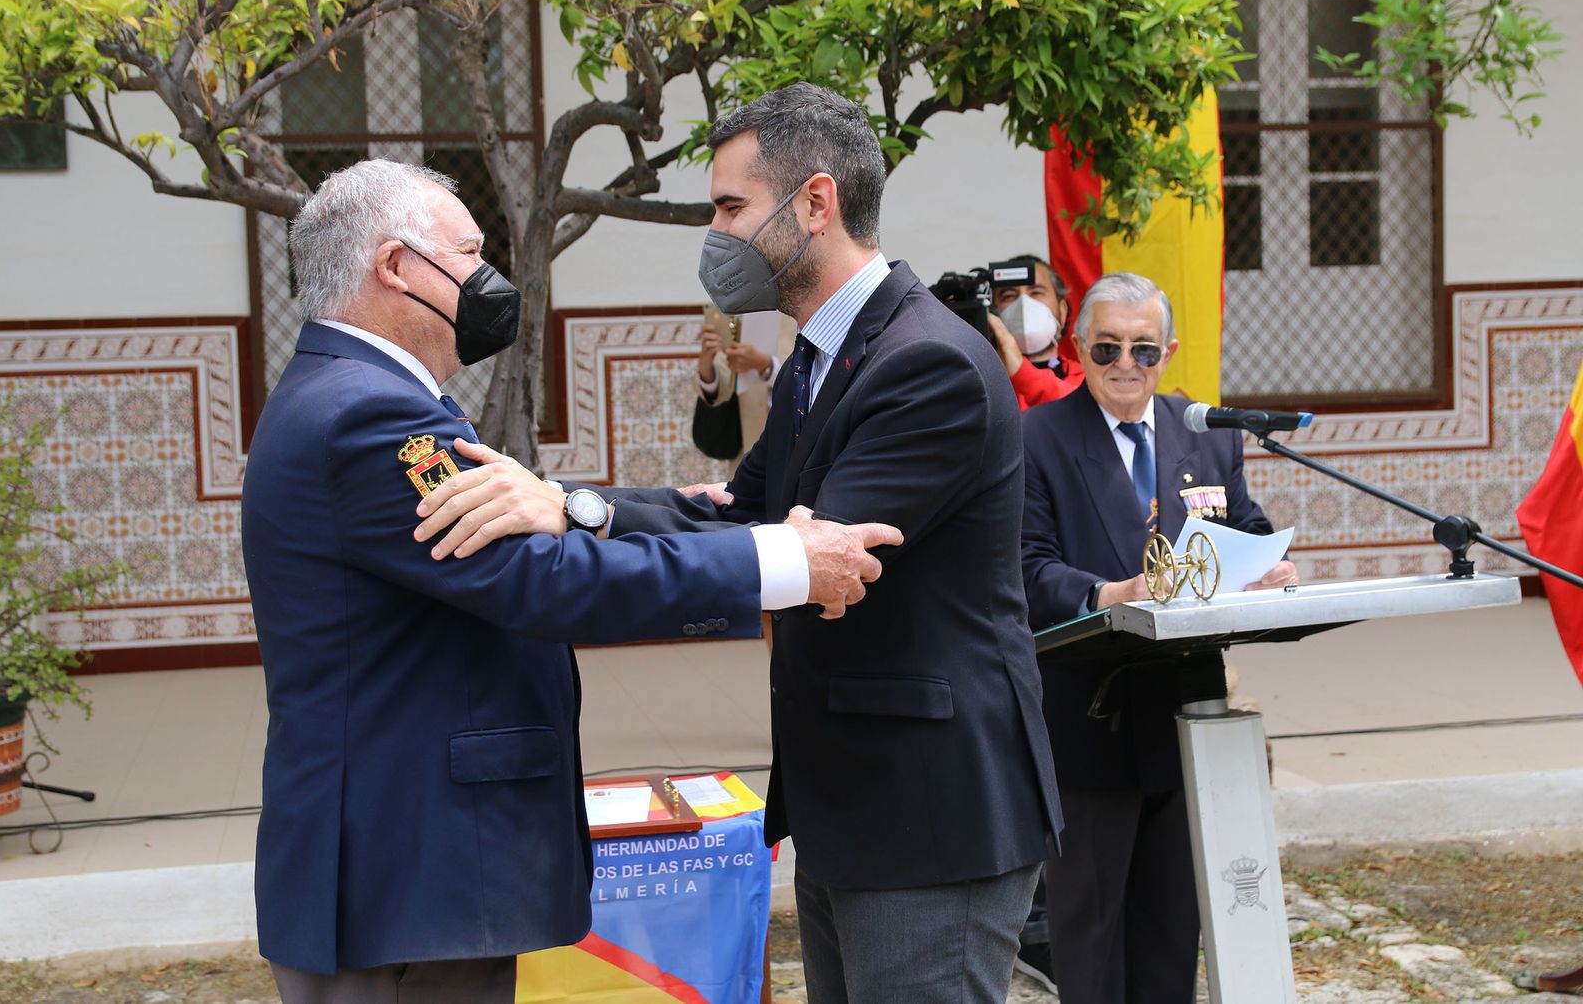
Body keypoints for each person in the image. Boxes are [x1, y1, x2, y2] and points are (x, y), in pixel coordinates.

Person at [419, 83, 1062, 1004]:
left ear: (816, 202)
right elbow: (737, 514)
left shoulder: (925, 363)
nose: (716, 234)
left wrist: (580, 528)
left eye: (730, 207)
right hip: (852, 805)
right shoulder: (818, 356)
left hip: (930, 812)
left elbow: (821, 561)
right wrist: (569, 505)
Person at [239, 158, 901, 1004]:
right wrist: (777, 561)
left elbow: (529, 520)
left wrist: (672, 515)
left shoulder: (358, 392)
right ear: (397, 266)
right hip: (402, 871)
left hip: (408, 865)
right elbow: (540, 580)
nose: (488, 276)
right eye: (469, 253)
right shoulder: (368, 414)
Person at [1016, 271, 1297, 1002]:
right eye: (1106, 347)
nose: (1125, 364)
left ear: (1167, 354)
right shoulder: (1038, 437)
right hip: (1090, 717)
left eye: (1143, 349)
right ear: (1078, 347)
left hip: (1188, 714)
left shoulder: (1202, 433)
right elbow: (1025, 566)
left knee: (1173, 931)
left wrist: (1268, 567)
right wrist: (1111, 593)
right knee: (1092, 936)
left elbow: (1244, 526)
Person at [694, 310, 798, 473]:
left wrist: (767, 366)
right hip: (749, 445)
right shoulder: (739, 305)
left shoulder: (806, 305)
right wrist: (707, 370)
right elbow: (723, 380)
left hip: (797, 441)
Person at [985, 254, 1084, 409]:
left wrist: (1021, 372)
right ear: (993, 312)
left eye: (1036, 292)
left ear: (1063, 311)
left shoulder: (1090, 378)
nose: (1024, 304)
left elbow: (1083, 412)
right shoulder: (982, 383)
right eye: (1009, 296)